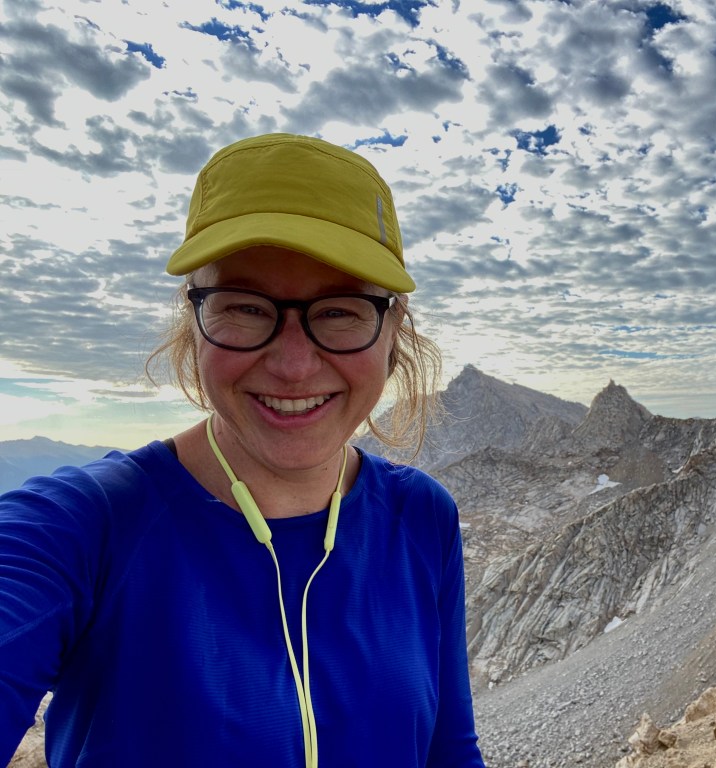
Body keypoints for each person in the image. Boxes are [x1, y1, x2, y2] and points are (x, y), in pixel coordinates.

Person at [0, 133, 486, 768]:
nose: (293, 365)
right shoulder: (83, 527)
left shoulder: (421, 517)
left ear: (393, 328)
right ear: (194, 320)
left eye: (340, 311)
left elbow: (449, 752)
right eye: (247, 308)